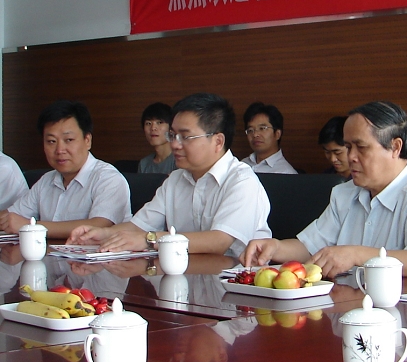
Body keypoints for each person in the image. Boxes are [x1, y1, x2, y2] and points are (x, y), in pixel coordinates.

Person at [242, 101, 407, 279]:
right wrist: (275, 247)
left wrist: (357, 255)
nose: (351, 157)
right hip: (346, 302)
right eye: (349, 147)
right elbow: (311, 246)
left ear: (395, 147)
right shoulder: (344, 193)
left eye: (361, 147)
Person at [68, 93, 270, 258]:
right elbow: (139, 226)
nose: (174, 144)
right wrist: (104, 234)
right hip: (185, 280)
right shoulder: (175, 179)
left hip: (236, 286)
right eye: (173, 135)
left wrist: (150, 240)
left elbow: (218, 241)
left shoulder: (242, 181)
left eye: (185, 137)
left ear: (218, 141)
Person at [0, 101, 131, 239]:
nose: (60, 150)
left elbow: (99, 225)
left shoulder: (108, 179)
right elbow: (11, 218)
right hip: (50, 252)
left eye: (68, 140)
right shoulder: (46, 181)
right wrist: (10, 221)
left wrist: (31, 226)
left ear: (87, 140)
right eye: (51, 141)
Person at [240, 102, 297, 174]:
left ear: (277, 134)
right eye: (250, 130)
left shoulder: (286, 173)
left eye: (262, 128)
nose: (255, 134)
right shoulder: (241, 165)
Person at [138, 102, 177, 174]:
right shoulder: (144, 164)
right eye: (148, 123)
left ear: (171, 128)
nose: (153, 128)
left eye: (159, 122)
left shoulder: (179, 160)